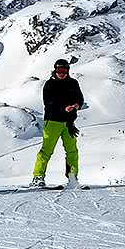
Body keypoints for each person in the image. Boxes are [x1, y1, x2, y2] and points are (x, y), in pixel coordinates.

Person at [31, 58, 86, 189]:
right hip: (53, 121)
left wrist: (77, 105)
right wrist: (64, 108)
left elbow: (80, 98)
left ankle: (72, 177)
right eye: (59, 70)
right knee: (46, 151)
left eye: (64, 70)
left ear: (68, 71)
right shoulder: (50, 84)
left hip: (69, 123)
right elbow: (48, 102)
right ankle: (38, 177)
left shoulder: (73, 83)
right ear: (55, 70)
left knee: (72, 151)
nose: (62, 73)